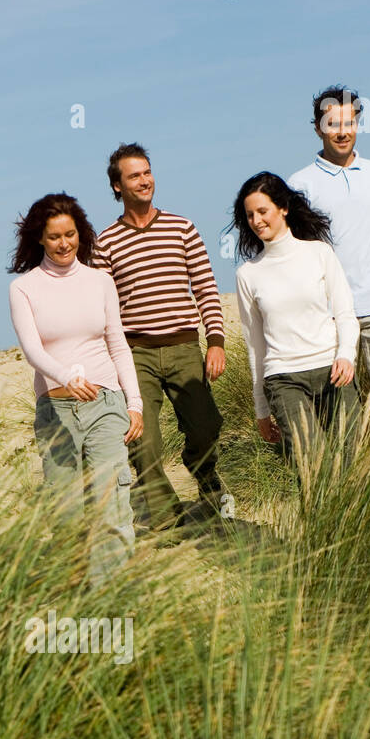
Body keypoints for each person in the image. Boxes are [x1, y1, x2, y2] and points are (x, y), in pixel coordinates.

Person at [8, 192, 143, 586]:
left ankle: (113, 598)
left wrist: (134, 403)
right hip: (57, 411)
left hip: (106, 404)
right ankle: (73, 595)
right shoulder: (24, 288)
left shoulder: (100, 281)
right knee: (66, 512)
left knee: (110, 504)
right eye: (54, 237)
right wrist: (66, 377)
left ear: (80, 234)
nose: (64, 244)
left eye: (70, 235)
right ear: (40, 240)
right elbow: (33, 350)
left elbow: (117, 343)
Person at [90, 143, 226, 531]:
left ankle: (207, 480)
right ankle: (167, 517)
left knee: (206, 427)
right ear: (117, 186)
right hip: (136, 355)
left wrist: (215, 341)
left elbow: (205, 288)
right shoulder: (105, 243)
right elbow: (102, 312)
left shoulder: (182, 227)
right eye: (134, 175)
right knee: (140, 440)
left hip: (184, 346)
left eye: (147, 172)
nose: (145, 180)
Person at [288, 85, 370, 407]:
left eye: (349, 123)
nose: (342, 132)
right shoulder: (299, 185)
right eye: (333, 124)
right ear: (318, 128)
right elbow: (296, 254)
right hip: (329, 315)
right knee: (338, 409)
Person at [233, 172, 361, 474]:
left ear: (283, 208)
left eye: (262, 211)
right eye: (250, 215)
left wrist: (346, 354)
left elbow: (345, 313)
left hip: (334, 371)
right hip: (284, 379)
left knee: (351, 464)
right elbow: (255, 346)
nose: (256, 220)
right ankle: (321, 521)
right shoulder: (247, 274)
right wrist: (261, 409)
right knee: (312, 466)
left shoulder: (319, 253)